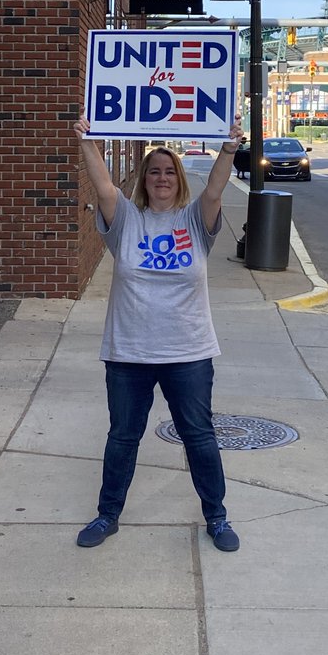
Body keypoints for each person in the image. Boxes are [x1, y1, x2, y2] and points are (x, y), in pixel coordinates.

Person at [72, 111, 244, 552]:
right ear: (144, 180)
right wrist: (88, 142)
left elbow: (215, 190)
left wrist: (228, 149)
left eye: (169, 172)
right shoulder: (125, 220)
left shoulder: (194, 222)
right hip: (129, 353)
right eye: (154, 172)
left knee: (199, 436)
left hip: (187, 351)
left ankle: (217, 518)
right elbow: (104, 187)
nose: (162, 178)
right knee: (123, 437)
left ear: (178, 180)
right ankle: (107, 514)